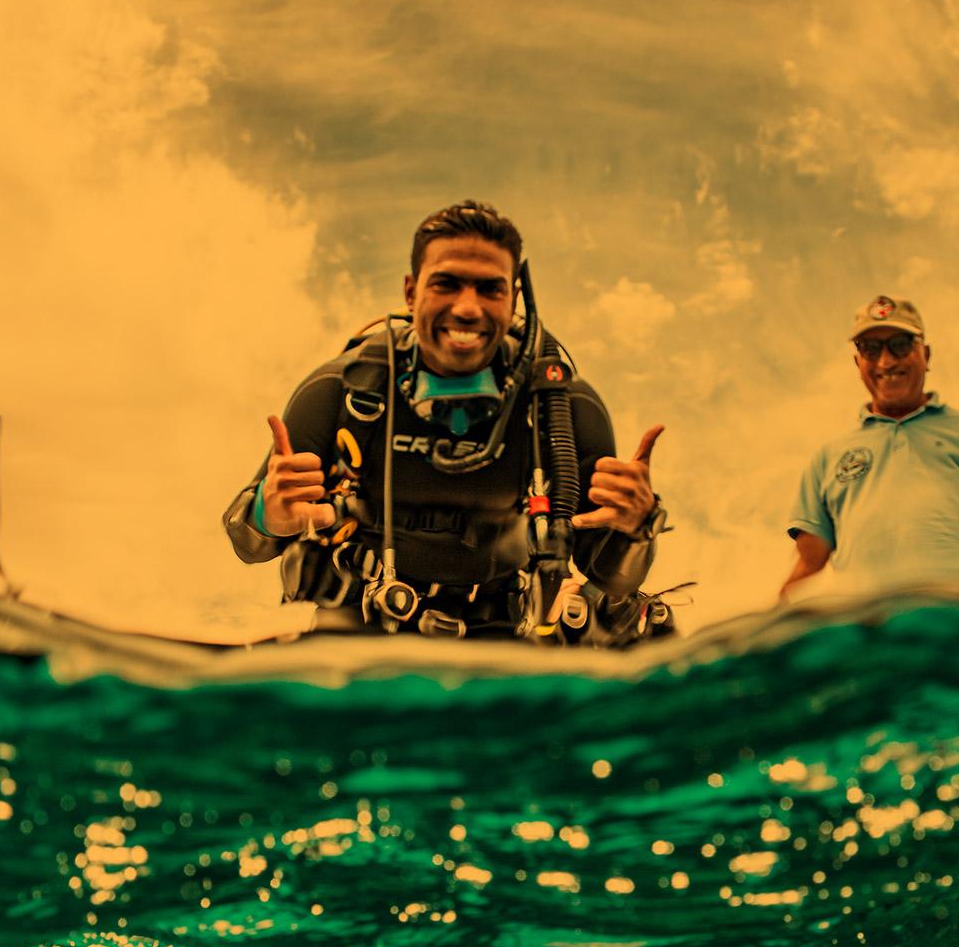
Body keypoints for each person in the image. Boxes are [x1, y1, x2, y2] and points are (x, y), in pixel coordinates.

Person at [224, 200, 673, 644]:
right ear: (410, 291)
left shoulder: (561, 408)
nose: (467, 308)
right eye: (446, 284)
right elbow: (248, 542)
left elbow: (610, 576)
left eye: (489, 289)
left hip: (501, 635)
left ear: (514, 298)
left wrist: (636, 528)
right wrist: (269, 515)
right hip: (353, 628)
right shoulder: (342, 393)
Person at [779, 294, 959, 598]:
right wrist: (772, 634)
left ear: (926, 354)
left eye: (900, 344)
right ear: (857, 362)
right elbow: (808, 563)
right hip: (872, 633)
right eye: (870, 349)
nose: (886, 361)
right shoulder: (827, 458)